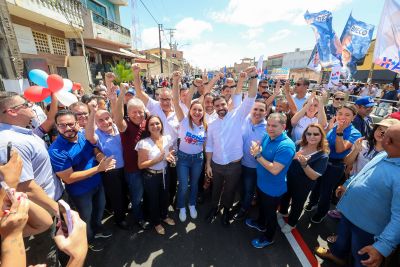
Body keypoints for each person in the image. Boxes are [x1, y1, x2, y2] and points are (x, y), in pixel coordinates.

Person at [315, 124, 400, 267]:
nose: (381, 135)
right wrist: (347, 185)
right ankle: (338, 256)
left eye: (385, 134)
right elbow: (363, 173)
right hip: (349, 213)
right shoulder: (383, 154)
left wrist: (382, 247)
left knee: (361, 256)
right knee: (342, 241)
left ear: (389, 141)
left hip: (368, 229)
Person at [48, 110, 116, 251]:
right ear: (57, 126)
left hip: (97, 184)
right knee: (85, 218)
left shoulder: (83, 136)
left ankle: (98, 229)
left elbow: (94, 149)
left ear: (77, 124)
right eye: (62, 125)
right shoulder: (56, 150)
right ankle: (88, 240)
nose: (67, 128)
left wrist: (100, 157)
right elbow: (69, 178)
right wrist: (99, 169)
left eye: (70, 124)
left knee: (99, 210)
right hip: (80, 192)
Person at [204, 66, 258, 226]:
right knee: (216, 189)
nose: (220, 108)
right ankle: (214, 208)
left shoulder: (238, 116)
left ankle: (226, 211)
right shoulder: (212, 124)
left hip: (234, 165)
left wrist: (253, 76)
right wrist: (208, 164)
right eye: (217, 106)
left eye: (222, 105)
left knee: (229, 191)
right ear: (214, 108)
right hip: (217, 164)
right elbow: (210, 146)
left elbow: (251, 97)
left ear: (227, 105)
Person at [0, 92, 61, 215]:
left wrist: (53, 93)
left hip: (50, 201)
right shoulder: (12, 142)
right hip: (45, 209)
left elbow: (50, 120)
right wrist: (59, 210)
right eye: (26, 104)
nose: (31, 106)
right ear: (12, 111)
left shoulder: (23, 133)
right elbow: (26, 186)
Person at [105, 74, 150, 230]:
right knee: (137, 197)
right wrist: (121, 94)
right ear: (128, 113)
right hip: (133, 170)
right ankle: (139, 218)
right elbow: (117, 117)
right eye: (134, 112)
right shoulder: (125, 126)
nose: (138, 115)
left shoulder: (146, 123)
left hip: (148, 167)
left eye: (140, 112)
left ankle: (146, 214)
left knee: (146, 195)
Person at [246, 113, 296, 248]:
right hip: (262, 183)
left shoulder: (286, 146)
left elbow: (275, 169)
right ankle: (260, 224)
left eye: (274, 125)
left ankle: (269, 237)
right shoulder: (268, 136)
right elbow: (260, 146)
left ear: (284, 126)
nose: (270, 128)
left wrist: (257, 155)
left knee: (270, 215)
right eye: (268, 124)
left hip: (273, 189)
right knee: (262, 207)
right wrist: (257, 147)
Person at [134, 64, 180, 208]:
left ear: (172, 99)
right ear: (158, 99)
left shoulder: (178, 111)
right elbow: (139, 92)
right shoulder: (153, 106)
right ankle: (156, 209)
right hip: (154, 151)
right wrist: (136, 74)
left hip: (172, 152)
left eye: (168, 99)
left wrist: (176, 81)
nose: (165, 102)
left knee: (172, 182)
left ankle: (168, 203)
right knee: (155, 185)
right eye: (163, 99)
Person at [306, 104, 361, 223]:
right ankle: (312, 202)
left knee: (326, 190)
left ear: (354, 117)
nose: (342, 117)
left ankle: (321, 212)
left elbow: (340, 149)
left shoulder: (355, 133)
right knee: (316, 184)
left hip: (335, 165)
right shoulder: (334, 127)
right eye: (340, 113)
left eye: (347, 115)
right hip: (322, 160)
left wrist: (339, 133)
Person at [85, 102, 130, 230]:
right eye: (100, 120)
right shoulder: (97, 134)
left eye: (107, 118)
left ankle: (125, 209)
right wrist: (92, 112)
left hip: (125, 168)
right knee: (117, 196)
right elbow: (89, 136)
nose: (105, 122)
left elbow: (118, 113)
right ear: (96, 123)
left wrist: (114, 98)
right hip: (111, 171)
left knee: (125, 191)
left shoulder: (117, 127)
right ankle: (119, 219)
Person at [279, 123, 329, 233]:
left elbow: (313, 176)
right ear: (305, 135)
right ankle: (283, 212)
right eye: (309, 133)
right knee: (285, 196)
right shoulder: (298, 144)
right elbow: (286, 161)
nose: (312, 136)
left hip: (303, 185)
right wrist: (292, 157)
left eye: (316, 134)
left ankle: (292, 223)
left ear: (321, 136)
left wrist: (304, 164)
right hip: (289, 179)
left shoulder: (323, 155)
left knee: (297, 203)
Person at [172, 72, 207, 222]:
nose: (197, 112)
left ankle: (192, 204)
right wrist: (175, 81)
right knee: (183, 186)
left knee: (194, 184)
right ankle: (181, 206)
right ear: (190, 111)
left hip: (198, 159)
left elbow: (205, 145)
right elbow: (175, 100)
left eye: (200, 110)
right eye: (194, 110)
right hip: (183, 159)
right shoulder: (184, 121)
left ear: (203, 112)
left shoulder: (205, 125)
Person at [136, 115, 176, 235]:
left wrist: (170, 158)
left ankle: (164, 216)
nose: (155, 126)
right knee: (153, 200)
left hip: (164, 173)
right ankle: (156, 222)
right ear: (147, 127)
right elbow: (141, 165)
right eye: (152, 124)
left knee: (164, 197)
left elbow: (168, 155)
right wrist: (156, 160)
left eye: (157, 123)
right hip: (151, 176)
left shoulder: (167, 138)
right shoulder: (143, 143)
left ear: (161, 125)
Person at [232, 98, 267, 220]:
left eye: (261, 110)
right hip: (238, 162)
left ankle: (244, 210)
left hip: (253, 167)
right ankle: (242, 203)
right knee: (240, 187)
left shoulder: (267, 128)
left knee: (248, 190)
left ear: (266, 113)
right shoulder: (244, 120)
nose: (257, 112)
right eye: (255, 109)